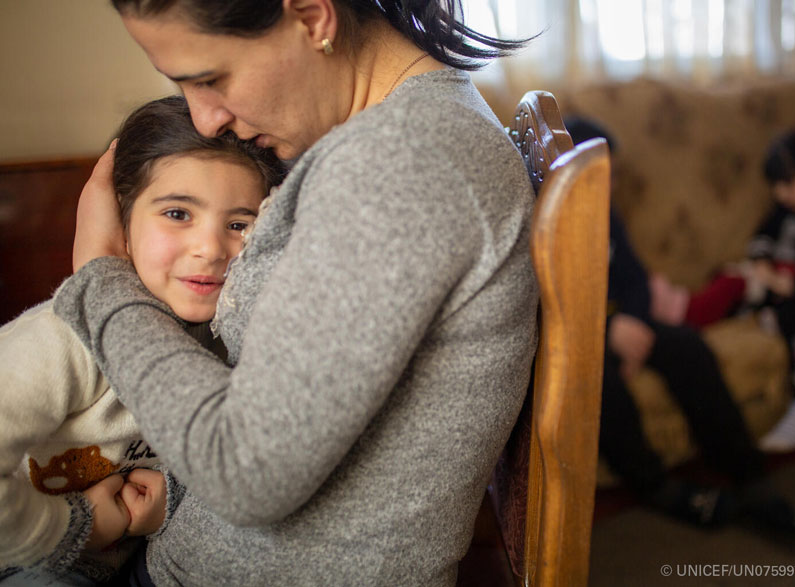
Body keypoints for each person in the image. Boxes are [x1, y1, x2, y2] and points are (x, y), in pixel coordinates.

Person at [52, 1, 539, 585]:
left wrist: (101, 276)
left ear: (311, 17)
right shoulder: (394, 140)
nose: (204, 120)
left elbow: (246, 471)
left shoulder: (401, 163)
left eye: (210, 78)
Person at [0, 95, 285, 585]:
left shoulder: (231, 339)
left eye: (239, 225)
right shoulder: (62, 339)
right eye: (177, 214)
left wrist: (166, 499)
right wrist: (68, 528)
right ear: (121, 228)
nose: (211, 248)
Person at [565, 117, 795, 540]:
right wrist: (606, 330)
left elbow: (633, 277)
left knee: (689, 347)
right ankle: (658, 487)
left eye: (611, 175)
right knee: (598, 384)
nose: (609, 186)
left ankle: (750, 478)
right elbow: (546, 303)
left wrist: (631, 319)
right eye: (598, 175)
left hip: (622, 322)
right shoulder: (543, 222)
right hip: (576, 336)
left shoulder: (605, 211)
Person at [654, 130, 795, 452]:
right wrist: (761, 261)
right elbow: (764, 235)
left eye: (789, 184)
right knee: (731, 279)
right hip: (780, 281)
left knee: (794, 310)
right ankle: (690, 308)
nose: (780, 193)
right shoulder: (786, 209)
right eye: (776, 185)